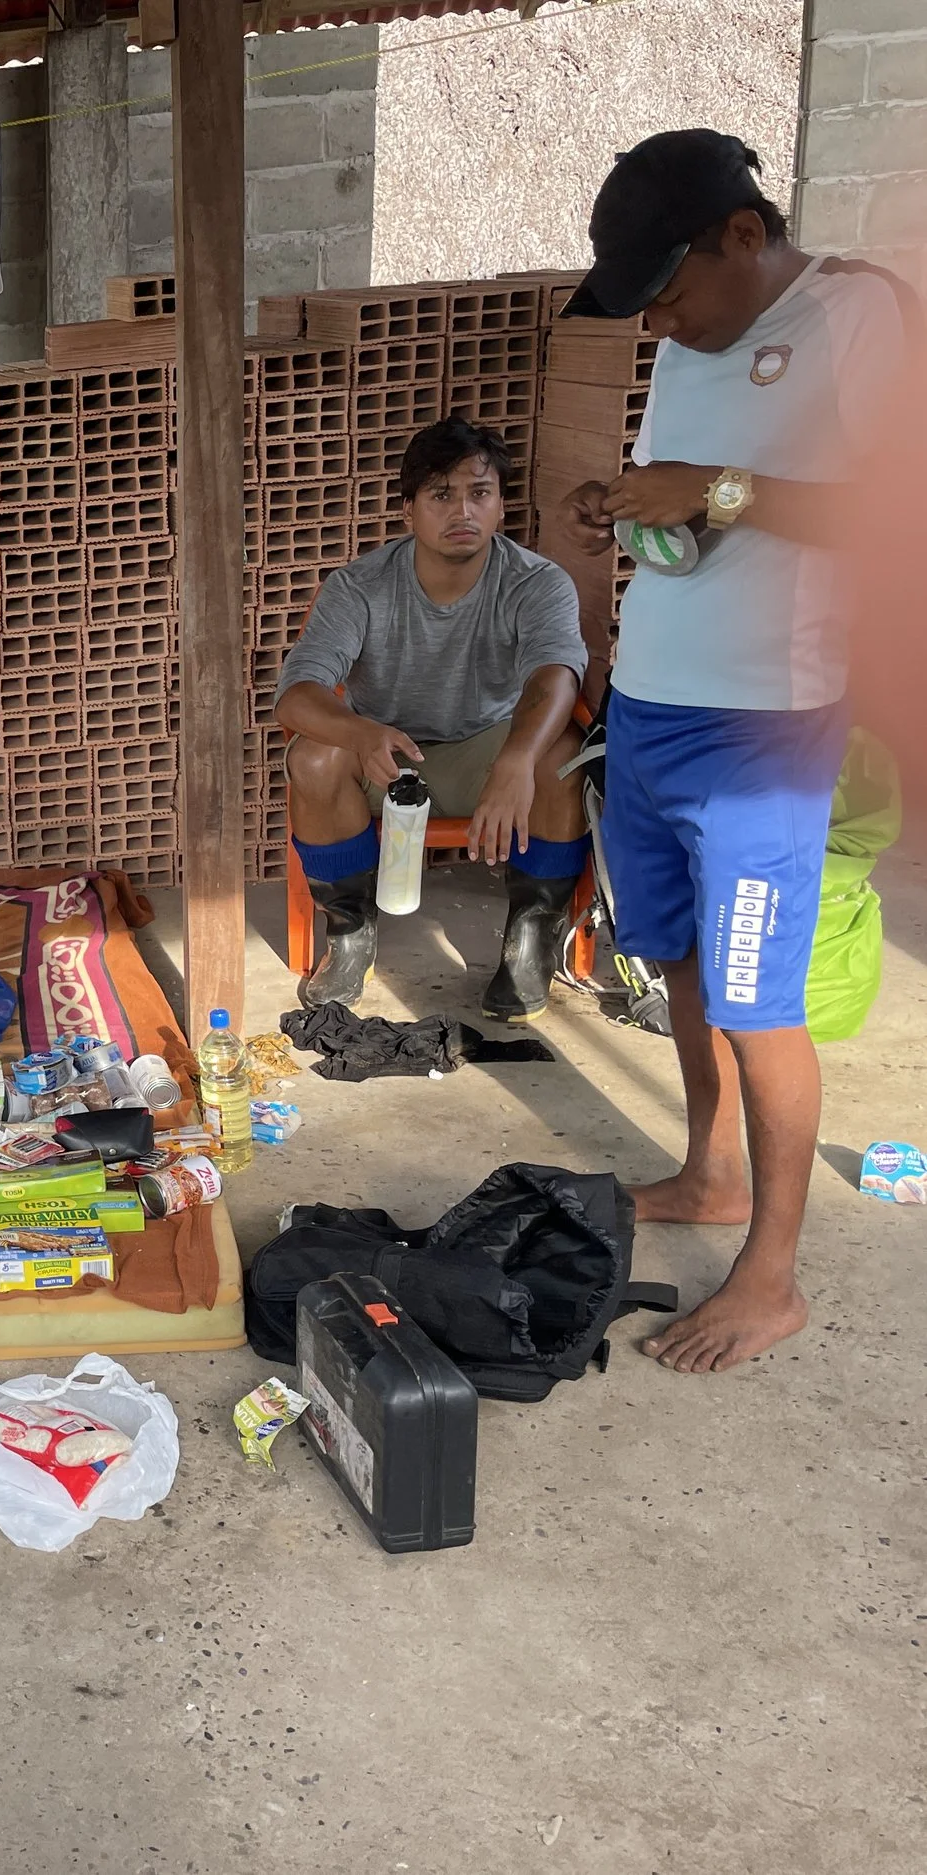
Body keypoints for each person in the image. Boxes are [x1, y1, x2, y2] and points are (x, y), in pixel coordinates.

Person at [560, 129, 909, 1373]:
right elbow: (699, 503)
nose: (655, 322)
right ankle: (709, 1172)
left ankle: (771, 1276)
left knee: (760, 1002)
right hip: (652, 700)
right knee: (676, 961)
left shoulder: (856, 317)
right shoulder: (693, 339)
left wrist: (718, 492)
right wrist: (633, 506)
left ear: (744, 237)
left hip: (761, 726)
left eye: (665, 291)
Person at [276, 416, 592, 1016]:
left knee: (562, 754)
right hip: (385, 755)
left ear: (501, 506)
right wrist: (359, 731)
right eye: (441, 495)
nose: (462, 511)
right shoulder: (360, 585)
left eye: (480, 493)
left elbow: (556, 675)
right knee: (314, 756)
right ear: (409, 510)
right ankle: (349, 933)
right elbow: (297, 693)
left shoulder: (537, 582)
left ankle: (532, 937)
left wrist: (517, 759)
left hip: (490, 750)